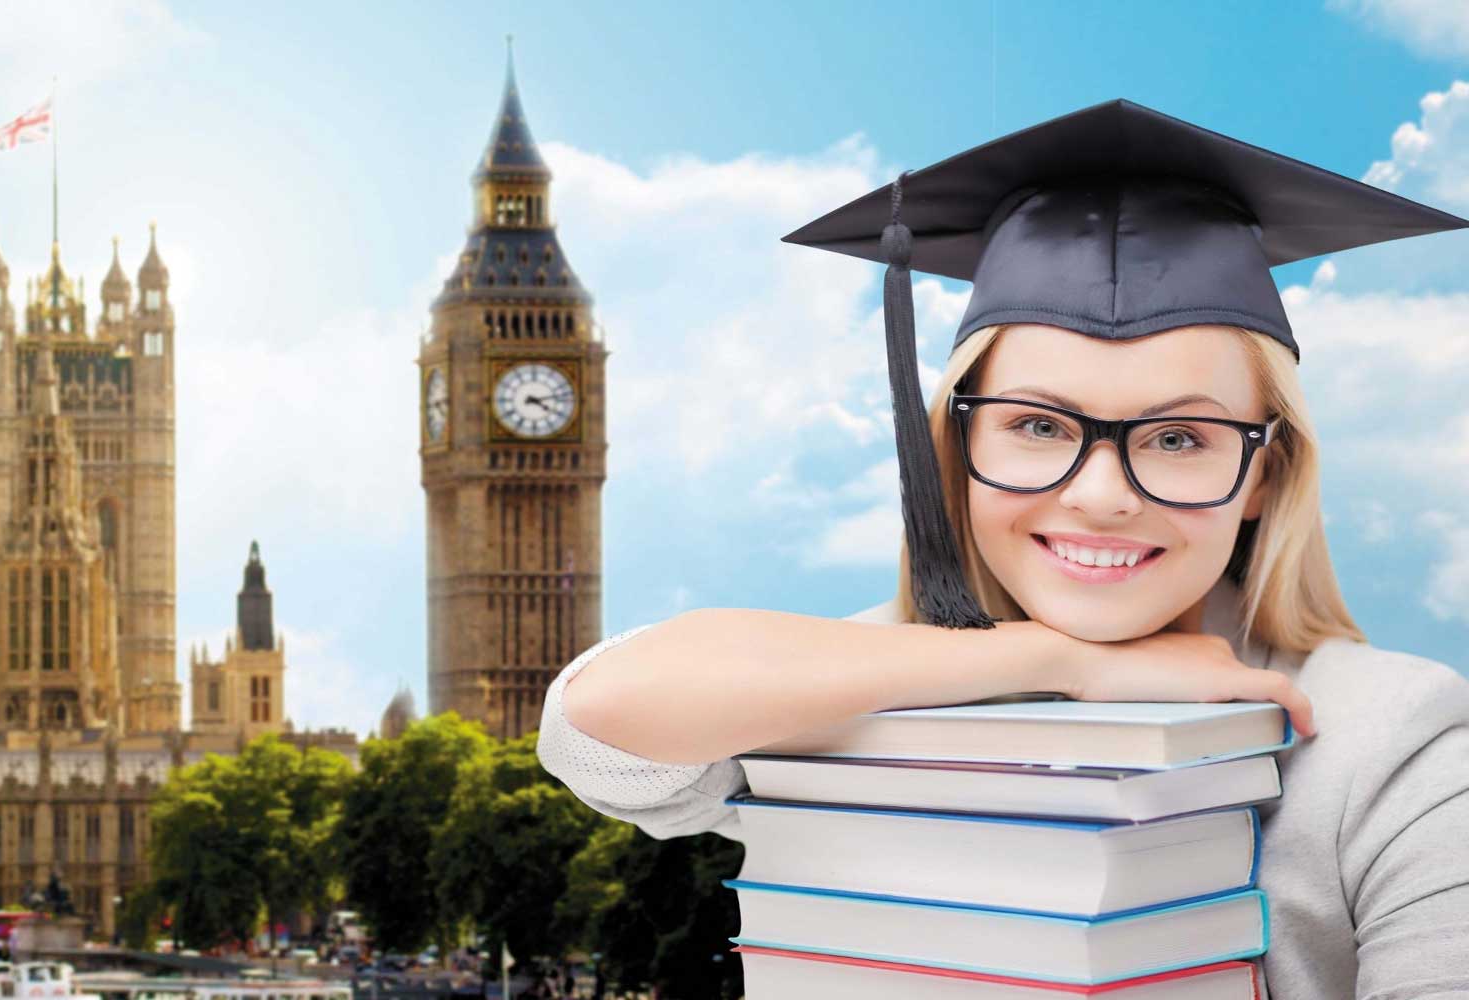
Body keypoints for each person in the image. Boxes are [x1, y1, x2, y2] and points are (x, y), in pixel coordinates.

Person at [536, 99, 1469, 1000]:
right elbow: (598, 723)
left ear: (1266, 469)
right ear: (956, 449)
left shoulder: (1394, 741)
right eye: (1035, 425)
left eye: (1180, 438)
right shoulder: (862, 686)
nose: (1100, 496)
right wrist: (1057, 662)